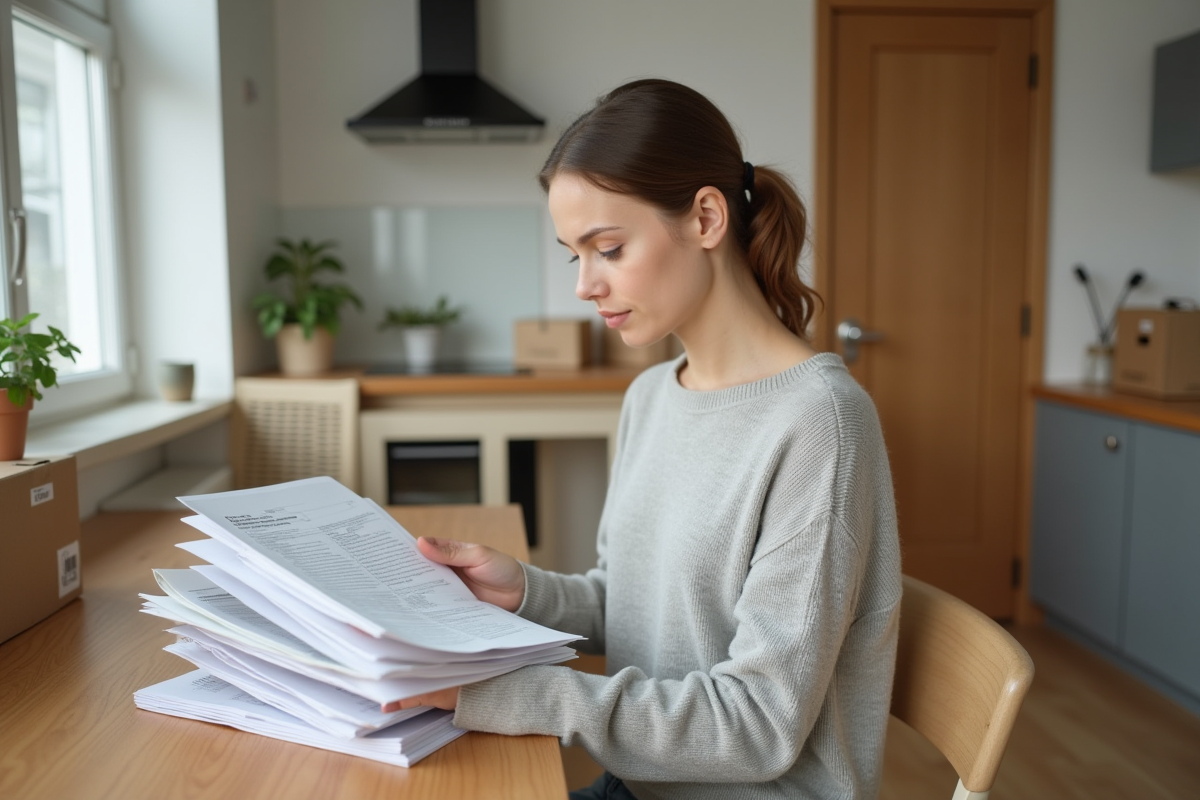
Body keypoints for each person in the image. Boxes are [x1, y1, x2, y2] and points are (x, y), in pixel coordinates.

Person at [388, 79, 902, 800]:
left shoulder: (820, 423)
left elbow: (759, 726)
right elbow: (639, 607)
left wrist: (513, 695)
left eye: (608, 248)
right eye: (575, 255)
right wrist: (525, 592)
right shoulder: (652, 396)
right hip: (646, 785)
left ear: (706, 217)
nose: (584, 285)